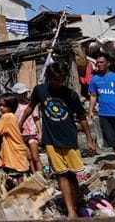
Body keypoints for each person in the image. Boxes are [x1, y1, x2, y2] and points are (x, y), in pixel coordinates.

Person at [19, 62, 96, 218]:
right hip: (51, 140)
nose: (58, 83)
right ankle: (71, 210)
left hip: (69, 139)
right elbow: (30, 106)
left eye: (61, 79)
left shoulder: (71, 94)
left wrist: (89, 139)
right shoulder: (40, 90)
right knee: (61, 174)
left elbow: (82, 117)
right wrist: (20, 122)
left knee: (73, 174)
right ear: (48, 77)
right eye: (56, 79)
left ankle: (76, 201)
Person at [0, 93, 29, 185]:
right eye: (0, 105)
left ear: (11, 106)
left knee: (17, 175)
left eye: (4, 105)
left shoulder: (6, 117)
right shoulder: (11, 116)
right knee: (18, 175)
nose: (1, 107)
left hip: (14, 150)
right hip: (15, 150)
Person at [12, 83, 44, 172]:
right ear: (16, 94)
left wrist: (40, 132)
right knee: (28, 157)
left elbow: (36, 118)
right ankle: (34, 177)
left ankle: (41, 177)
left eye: (25, 93)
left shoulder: (31, 104)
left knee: (35, 157)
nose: (24, 95)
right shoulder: (13, 106)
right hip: (20, 135)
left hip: (32, 133)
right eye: (22, 93)